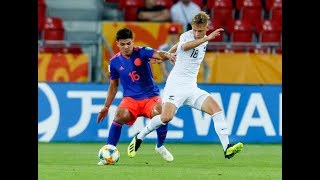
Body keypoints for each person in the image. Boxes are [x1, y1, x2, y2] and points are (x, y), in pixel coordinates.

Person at [127, 11, 244, 160]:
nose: (196, 33)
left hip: (191, 87)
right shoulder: (188, 36)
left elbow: (178, 46)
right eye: (194, 29)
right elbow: (185, 46)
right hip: (175, 84)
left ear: (206, 27)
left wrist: (167, 54)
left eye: (200, 30)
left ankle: (227, 148)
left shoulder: (204, 38)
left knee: (216, 109)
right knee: (166, 117)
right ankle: (140, 136)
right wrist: (206, 37)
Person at [97, 27, 176, 165]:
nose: (126, 47)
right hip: (130, 100)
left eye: (129, 43)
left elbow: (158, 54)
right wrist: (106, 106)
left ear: (132, 41)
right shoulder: (114, 62)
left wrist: (168, 55)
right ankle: (109, 153)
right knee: (119, 114)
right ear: (117, 44)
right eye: (123, 44)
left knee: (160, 113)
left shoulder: (142, 52)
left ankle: (160, 146)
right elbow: (113, 86)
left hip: (150, 96)